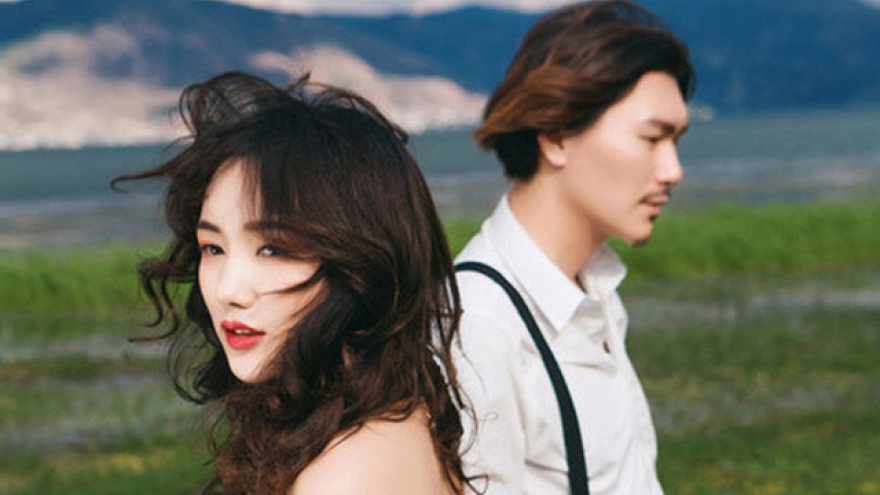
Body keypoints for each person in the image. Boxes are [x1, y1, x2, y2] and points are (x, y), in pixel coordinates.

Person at [113, 71, 472, 495]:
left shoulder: (349, 474)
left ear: (362, 259)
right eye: (213, 248)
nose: (229, 292)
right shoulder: (387, 414)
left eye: (274, 250)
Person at [453, 1, 695, 494]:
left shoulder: (595, 290)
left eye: (676, 142)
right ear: (557, 136)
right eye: (653, 138)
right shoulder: (479, 325)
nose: (673, 171)